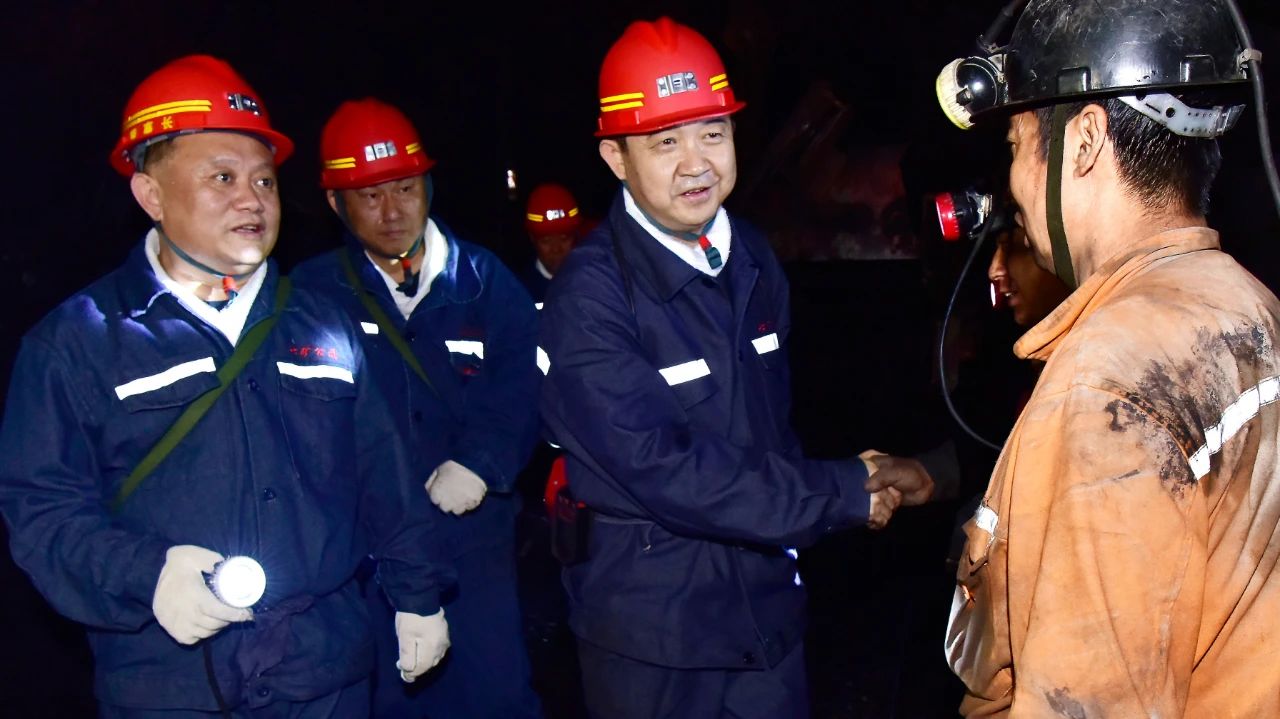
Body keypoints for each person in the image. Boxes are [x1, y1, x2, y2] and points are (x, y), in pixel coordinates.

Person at [0, 55, 452, 717]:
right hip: (170, 684)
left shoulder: (325, 325)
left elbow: (383, 472)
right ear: (151, 195)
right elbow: (42, 510)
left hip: (323, 674)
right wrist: (145, 573)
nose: (252, 199)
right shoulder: (76, 343)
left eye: (264, 179)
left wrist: (419, 596)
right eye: (222, 177)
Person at [537, 17, 933, 718]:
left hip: (766, 615)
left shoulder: (751, 254)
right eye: (665, 142)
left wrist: (835, 494)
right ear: (615, 157)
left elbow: (771, 430)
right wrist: (844, 490)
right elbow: (667, 468)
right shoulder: (589, 299)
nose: (697, 164)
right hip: (656, 639)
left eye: (713, 133)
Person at [937, 1, 1280, 715]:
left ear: (1085, 140)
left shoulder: (1110, 385)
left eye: (1015, 145)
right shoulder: (1251, 305)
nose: (1013, 186)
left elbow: (1087, 700)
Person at [291, 98, 543, 719]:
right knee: (390, 697)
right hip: (369, 550)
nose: (393, 211)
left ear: (427, 185)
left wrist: (482, 462)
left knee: (494, 695)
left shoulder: (483, 280)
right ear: (336, 204)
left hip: (473, 540)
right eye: (370, 195)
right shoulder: (312, 294)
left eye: (405, 188)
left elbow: (526, 379)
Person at [520, 182, 581, 305]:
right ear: (533, 239)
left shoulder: (592, 280)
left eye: (564, 238)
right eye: (546, 241)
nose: (556, 249)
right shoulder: (520, 292)